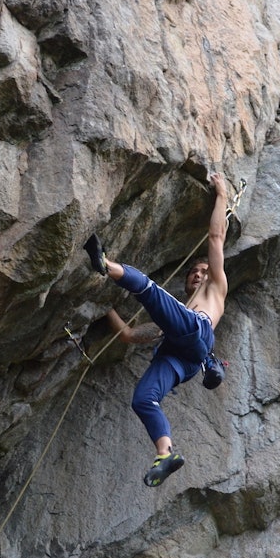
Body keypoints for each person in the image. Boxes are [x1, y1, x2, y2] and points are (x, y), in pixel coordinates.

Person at [83, 172, 229, 487]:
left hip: (197, 335)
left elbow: (216, 237)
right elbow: (130, 335)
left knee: (148, 290)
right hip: (181, 356)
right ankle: (166, 452)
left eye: (204, 270)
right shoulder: (176, 316)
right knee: (143, 400)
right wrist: (103, 306)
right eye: (194, 271)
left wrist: (222, 195)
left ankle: (105, 263)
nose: (199, 274)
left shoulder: (216, 288)